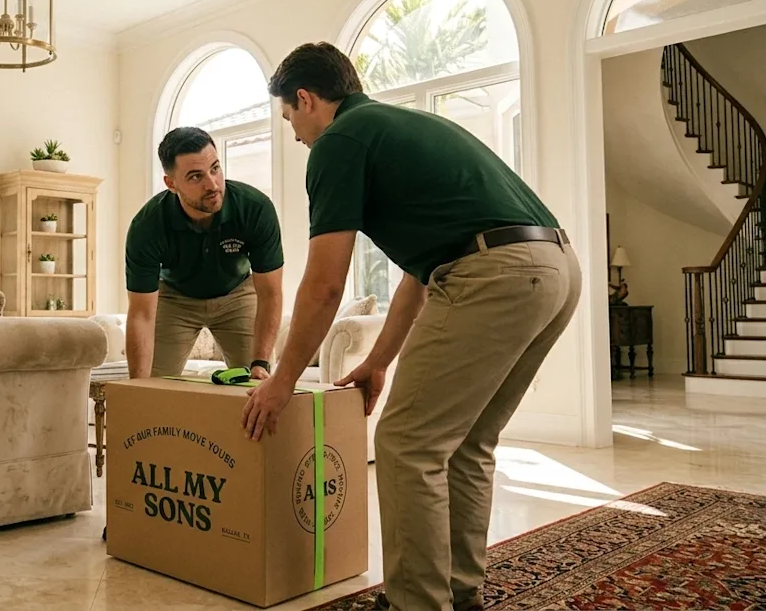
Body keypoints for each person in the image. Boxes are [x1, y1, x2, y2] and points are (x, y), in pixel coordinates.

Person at [241, 42, 582, 611]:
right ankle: (457, 592)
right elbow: (420, 278)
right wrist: (378, 361)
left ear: (306, 99)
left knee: (405, 444)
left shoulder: (340, 142)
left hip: (495, 274)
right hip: (553, 269)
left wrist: (281, 380)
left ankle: (416, 604)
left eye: (289, 120)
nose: (296, 136)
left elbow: (325, 284)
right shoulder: (400, 125)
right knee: (467, 443)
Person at [123, 126, 286, 380]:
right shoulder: (147, 226)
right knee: (153, 388)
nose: (213, 184)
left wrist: (261, 363)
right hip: (176, 298)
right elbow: (141, 314)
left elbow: (271, 294)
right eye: (196, 177)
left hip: (238, 293)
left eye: (215, 168)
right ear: (171, 183)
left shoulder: (255, 209)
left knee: (256, 386)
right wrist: (140, 390)